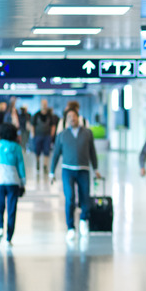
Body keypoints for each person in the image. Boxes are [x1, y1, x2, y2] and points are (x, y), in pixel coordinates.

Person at [49, 109, 101, 242]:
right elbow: (56, 154)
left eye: (74, 116)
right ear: (66, 120)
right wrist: (51, 172)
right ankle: (71, 227)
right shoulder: (62, 135)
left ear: (78, 118)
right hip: (68, 170)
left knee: (85, 197)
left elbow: (92, 152)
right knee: (70, 198)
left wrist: (96, 168)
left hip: (83, 170)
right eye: (69, 117)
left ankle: (83, 220)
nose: (72, 119)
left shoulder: (87, 133)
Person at [0, 123, 26, 246]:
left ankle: (0, 228)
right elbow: (21, 167)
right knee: (12, 209)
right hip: (13, 181)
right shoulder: (17, 148)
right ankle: (9, 237)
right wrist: (23, 182)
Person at [32, 99, 56, 173]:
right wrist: (33, 135)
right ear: (40, 105)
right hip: (38, 136)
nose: (44, 106)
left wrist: (51, 135)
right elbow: (32, 125)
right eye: (43, 104)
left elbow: (53, 126)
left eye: (45, 104)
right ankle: (38, 162)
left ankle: (45, 165)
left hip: (47, 136)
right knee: (37, 151)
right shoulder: (36, 115)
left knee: (47, 151)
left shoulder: (50, 115)